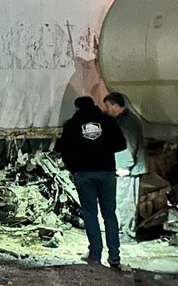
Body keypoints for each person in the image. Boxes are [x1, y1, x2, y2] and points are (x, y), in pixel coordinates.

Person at [54, 96, 128, 268]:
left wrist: (74, 168)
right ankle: (114, 257)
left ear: (77, 107)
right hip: (106, 172)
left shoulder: (72, 124)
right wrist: (103, 147)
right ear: (94, 105)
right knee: (109, 214)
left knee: (90, 214)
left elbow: (64, 150)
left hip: (84, 174)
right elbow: (121, 145)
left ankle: (95, 254)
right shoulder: (107, 121)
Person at [103, 93, 147, 241]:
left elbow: (128, 146)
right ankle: (124, 231)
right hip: (127, 168)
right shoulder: (126, 119)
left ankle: (126, 234)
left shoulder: (127, 123)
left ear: (115, 106)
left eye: (108, 106)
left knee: (124, 202)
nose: (107, 110)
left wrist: (124, 167)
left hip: (127, 170)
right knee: (122, 201)